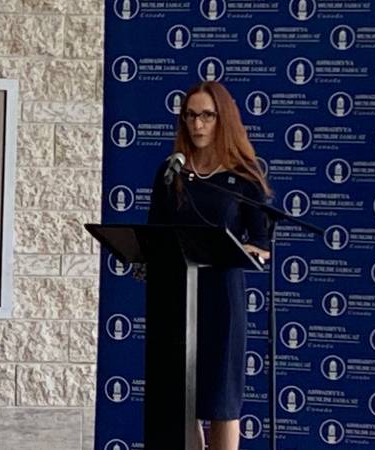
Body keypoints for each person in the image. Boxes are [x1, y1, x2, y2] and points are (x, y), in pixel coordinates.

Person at [146, 80, 271, 450]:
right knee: (182, 401)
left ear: (223, 119)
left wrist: (248, 249)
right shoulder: (171, 173)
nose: (197, 124)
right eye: (190, 116)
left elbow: (261, 242)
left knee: (221, 402)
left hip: (222, 300)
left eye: (206, 116)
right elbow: (155, 233)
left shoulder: (243, 176)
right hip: (178, 297)